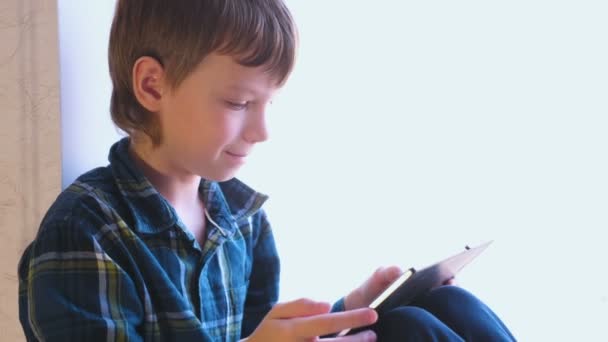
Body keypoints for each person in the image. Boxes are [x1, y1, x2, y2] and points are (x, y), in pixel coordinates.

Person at [18, 0, 516, 341]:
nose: (262, 130)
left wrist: (349, 309)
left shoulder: (241, 217)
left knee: (441, 309)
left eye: (268, 103)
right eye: (238, 102)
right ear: (152, 86)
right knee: (412, 332)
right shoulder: (85, 231)